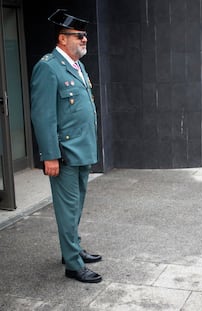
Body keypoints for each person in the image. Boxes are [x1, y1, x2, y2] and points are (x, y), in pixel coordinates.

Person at [30, 9, 102, 283]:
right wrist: (50, 156)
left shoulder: (77, 66)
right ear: (62, 38)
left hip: (82, 150)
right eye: (79, 36)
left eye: (85, 36)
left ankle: (71, 249)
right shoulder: (48, 67)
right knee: (67, 208)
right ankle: (73, 265)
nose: (84, 39)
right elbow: (43, 115)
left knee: (76, 205)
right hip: (64, 154)